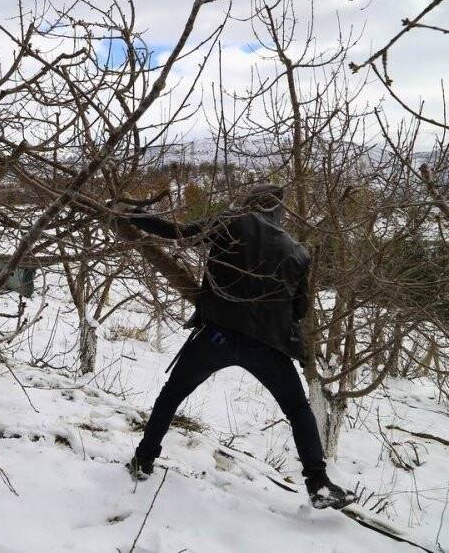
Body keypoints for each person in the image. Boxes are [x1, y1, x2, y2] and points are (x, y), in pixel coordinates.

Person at [118, 183, 353, 510]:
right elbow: (300, 310)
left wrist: (133, 215)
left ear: (249, 203)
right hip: (267, 347)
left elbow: (180, 233)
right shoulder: (297, 252)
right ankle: (318, 482)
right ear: (278, 212)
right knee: (298, 409)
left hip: (219, 335)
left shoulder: (232, 221)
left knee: (173, 393)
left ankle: (144, 460)